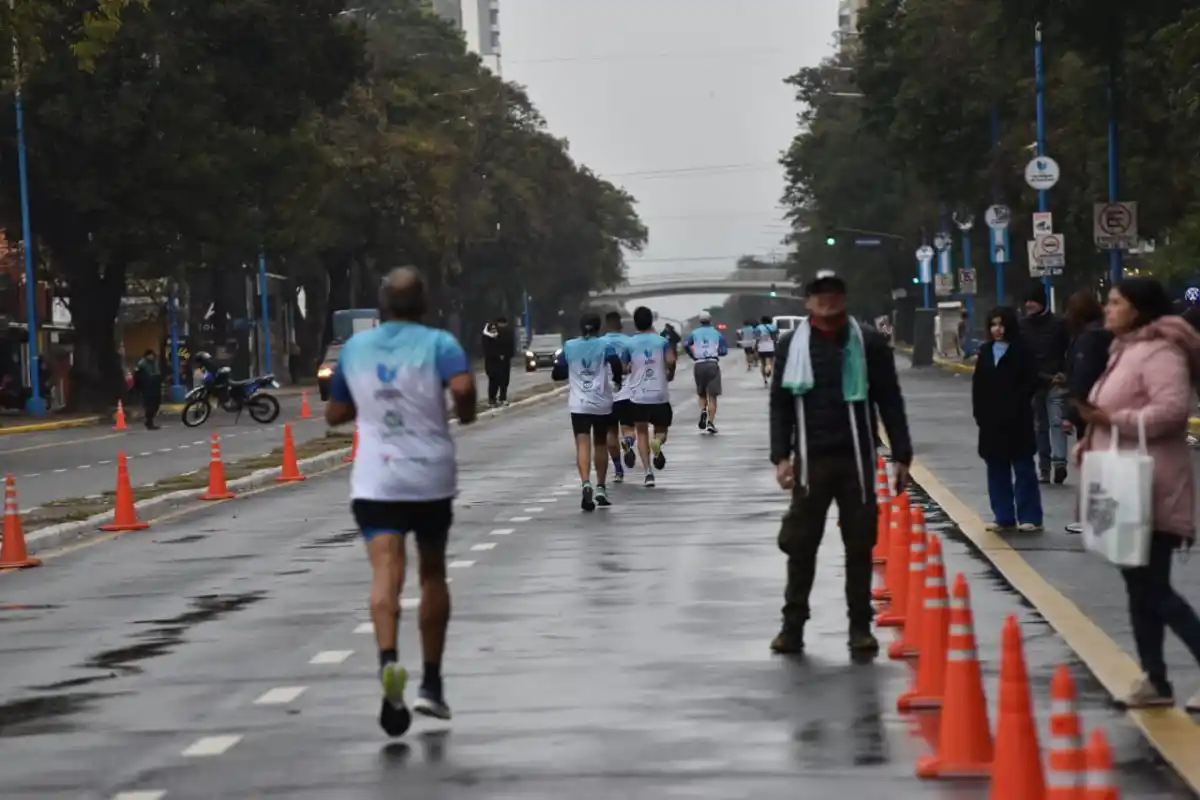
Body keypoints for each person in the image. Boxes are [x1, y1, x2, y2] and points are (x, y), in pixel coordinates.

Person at [324, 267, 477, 736]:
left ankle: (388, 660)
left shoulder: (355, 349)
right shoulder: (440, 345)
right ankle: (431, 684)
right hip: (429, 475)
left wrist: (356, 407)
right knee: (432, 571)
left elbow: (335, 413)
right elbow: (465, 391)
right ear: (424, 304)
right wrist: (464, 411)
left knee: (385, 571)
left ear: (382, 305)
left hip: (377, 479)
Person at [769, 269, 913, 655]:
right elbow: (780, 405)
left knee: (859, 545)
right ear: (808, 301)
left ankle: (859, 627)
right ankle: (793, 625)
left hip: (857, 459)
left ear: (844, 298)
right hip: (811, 460)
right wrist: (781, 456)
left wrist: (902, 454)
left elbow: (890, 398)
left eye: (834, 292)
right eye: (819, 293)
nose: (826, 299)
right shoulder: (791, 345)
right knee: (801, 545)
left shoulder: (867, 343)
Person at [1075, 277, 1200, 711]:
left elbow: (1171, 411)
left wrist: (1112, 420)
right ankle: (1155, 679)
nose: (1107, 309)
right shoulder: (1125, 350)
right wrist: (1092, 434)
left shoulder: (1161, 352)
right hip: (1125, 487)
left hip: (1154, 488)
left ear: (1138, 310)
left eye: (1115, 303)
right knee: (1139, 586)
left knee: (1152, 588)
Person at [972, 307, 1043, 532]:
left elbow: (1030, 383)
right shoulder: (985, 351)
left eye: (1001, 325)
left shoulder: (1023, 350)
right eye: (993, 325)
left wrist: (1014, 404)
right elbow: (978, 386)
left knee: (1023, 467)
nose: (997, 330)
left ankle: (1029, 516)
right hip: (991, 423)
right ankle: (1003, 516)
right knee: (996, 468)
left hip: (1018, 419)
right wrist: (980, 414)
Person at [551, 312, 626, 510]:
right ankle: (601, 486)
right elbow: (616, 365)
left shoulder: (569, 346)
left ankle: (585, 484)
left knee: (582, 444)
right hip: (601, 403)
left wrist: (567, 367)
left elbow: (557, 373)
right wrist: (617, 380)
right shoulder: (604, 345)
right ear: (598, 328)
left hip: (578, 404)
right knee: (600, 444)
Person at [1061, 290, 1112, 534]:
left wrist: (1071, 413)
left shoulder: (1087, 339)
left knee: (1090, 464)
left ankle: (1090, 517)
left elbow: (1083, 377)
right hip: (1107, 407)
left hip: (1089, 412)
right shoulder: (1107, 335)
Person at [1019, 285, 1071, 484]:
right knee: (1040, 426)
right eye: (1027, 301)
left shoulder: (1059, 324)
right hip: (1033, 382)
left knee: (1057, 422)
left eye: (1032, 301)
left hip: (1056, 380)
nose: (1028, 305)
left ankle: (1059, 464)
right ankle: (1044, 467)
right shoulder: (1022, 325)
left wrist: (1065, 374)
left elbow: (1069, 350)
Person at [627, 305, 676, 486]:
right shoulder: (661, 341)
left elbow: (625, 366)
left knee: (640, 432)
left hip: (638, 395)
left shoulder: (630, 343)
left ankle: (648, 472)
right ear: (651, 320)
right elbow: (671, 361)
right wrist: (670, 373)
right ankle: (657, 442)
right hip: (659, 394)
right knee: (661, 429)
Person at [601, 311, 635, 483]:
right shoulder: (629, 342)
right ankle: (628, 442)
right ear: (620, 325)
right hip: (627, 393)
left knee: (610, 433)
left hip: (606, 395)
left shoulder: (600, 343)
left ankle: (618, 470)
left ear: (606, 325)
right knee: (629, 428)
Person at [683, 310, 727, 434]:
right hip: (713, 363)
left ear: (700, 321)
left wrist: (693, 355)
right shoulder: (717, 334)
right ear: (710, 320)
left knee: (701, 393)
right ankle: (710, 422)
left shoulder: (694, 333)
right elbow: (724, 351)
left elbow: (686, 344)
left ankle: (703, 410)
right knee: (712, 395)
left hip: (699, 363)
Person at [481, 316, 514, 408]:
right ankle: (492, 399)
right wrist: (497, 355)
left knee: (504, 381)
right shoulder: (489, 334)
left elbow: (510, 346)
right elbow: (487, 348)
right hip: (492, 362)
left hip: (504, 361)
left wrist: (507, 355)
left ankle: (502, 398)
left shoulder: (507, 333)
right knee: (494, 381)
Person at [135, 349, 162, 430]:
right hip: (147, 388)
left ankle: (149, 420)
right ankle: (149, 422)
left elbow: (158, 373)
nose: (152, 357)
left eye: (152, 355)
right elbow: (138, 377)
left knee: (156, 405)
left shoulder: (155, 363)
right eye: (150, 355)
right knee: (149, 406)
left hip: (155, 386)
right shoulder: (142, 364)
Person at [755, 315, 778, 386]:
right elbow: (775, 338)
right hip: (770, 347)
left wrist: (755, 346)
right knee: (769, 363)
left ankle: (765, 379)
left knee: (762, 364)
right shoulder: (773, 327)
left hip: (761, 348)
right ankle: (768, 370)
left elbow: (757, 338)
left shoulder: (758, 328)